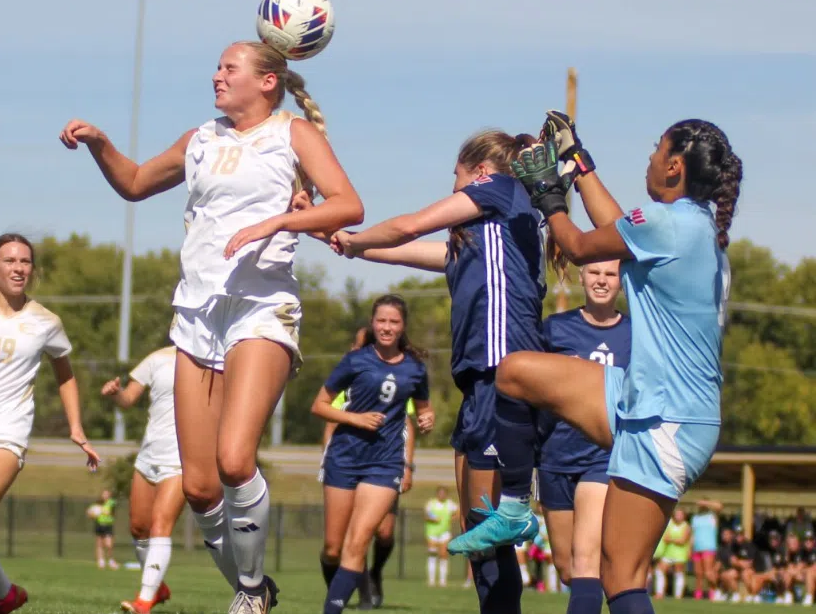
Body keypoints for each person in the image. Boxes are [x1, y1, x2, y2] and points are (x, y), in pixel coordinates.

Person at [60, 39, 364, 614]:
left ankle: (249, 595)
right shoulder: (200, 138)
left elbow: (349, 205)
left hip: (261, 307)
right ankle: (256, 587)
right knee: (199, 488)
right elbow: (135, 182)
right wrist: (101, 145)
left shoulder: (294, 134)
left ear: (267, 80)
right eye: (217, 67)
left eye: (229, 68)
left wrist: (278, 220)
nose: (217, 76)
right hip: (195, 316)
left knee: (233, 460)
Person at [497, 111, 743, 614]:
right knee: (516, 372)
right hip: (644, 398)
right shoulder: (687, 226)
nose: (649, 158)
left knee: (620, 574)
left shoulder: (669, 225)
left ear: (675, 166)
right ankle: (516, 507)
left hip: (668, 420)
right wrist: (576, 161)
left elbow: (584, 246)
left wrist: (549, 197)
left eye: (657, 149)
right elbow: (615, 228)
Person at [316, 128, 549, 614]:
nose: (454, 189)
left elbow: (408, 228)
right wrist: (341, 239)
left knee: (490, 529)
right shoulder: (485, 239)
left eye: (457, 178)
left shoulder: (501, 192)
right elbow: (401, 250)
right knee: (477, 529)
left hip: (500, 374)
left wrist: (361, 237)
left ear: (480, 173)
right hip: (479, 383)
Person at [0, 233, 101, 614]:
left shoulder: (46, 322)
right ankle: (8, 595)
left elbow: (65, 372)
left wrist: (75, 427)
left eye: (25, 262)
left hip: (5, 432)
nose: (19, 268)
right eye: (10, 261)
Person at [312, 294, 434, 614]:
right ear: (372, 322)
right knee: (333, 548)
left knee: (359, 541)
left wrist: (427, 418)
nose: (387, 327)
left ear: (403, 326)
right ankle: (349, 590)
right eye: (381, 320)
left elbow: (423, 410)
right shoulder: (355, 361)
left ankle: (335, 609)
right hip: (344, 457)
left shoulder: (415, 369)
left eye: (394, 322)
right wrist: (355, 418)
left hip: (384, 462)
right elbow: (319, 405)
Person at [536, 259, 631, 614]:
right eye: (595, 273)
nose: (602, 281)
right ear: (581, 277)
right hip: (555, 457)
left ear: (621, 282)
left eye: (610, 274)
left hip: (604, 457)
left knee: (586, 558)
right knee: (567, 567)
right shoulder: (555, 329)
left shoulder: (635, 334)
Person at [101, 345, 185, 614]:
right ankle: (158, 588)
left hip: (181, 458)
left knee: (161, 525)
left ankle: (144, 601)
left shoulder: (212, 357)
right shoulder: (158, 358)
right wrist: (116, 395)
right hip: (149, 454)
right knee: (139, 528)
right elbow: (128, 399)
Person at [424, 486, 459, 587]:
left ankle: (442, 581)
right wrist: (432, 519)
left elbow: (458, 511)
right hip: (432, 532)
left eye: (444, 493)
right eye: (440, 493)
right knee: (432, 554)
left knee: (443, 555)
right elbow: (426, 516)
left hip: (444, 533)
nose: (442, 495)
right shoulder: (431, 503)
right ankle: (431, 580)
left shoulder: (449, 504)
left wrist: (452, 518)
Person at [689, 498, 723, 600]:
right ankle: (698, 594)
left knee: (709, 572)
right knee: (698, 574)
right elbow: (692, 535)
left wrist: (706, 502)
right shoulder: (695, 518)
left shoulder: (712, 516)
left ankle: (715, 591)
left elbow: (719, 506)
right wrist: (690, 548)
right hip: (697, 548)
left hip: (708, 548)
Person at [655, 509, 691, 599]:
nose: (678, 516)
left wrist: (671, 540)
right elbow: (665, 537)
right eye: (676, 514)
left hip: (679, 553)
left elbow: (682, 540)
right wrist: (674, 540)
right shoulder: (670, 525)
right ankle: (660, 593)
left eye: (680, 514)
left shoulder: (686, 526)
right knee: (659, 570)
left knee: (678, 573)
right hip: (668, 553)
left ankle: (678, 595)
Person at [87, 490, 119, 569]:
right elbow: (90, 513)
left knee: (109, 544)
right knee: (99, 543)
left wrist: (100, 510)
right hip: (99, 525)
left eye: (107, 494)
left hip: (108, 525)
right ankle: (101, 561)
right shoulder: (97, 503)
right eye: (104, 494)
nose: (105, 495)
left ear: (110, 495)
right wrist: (91, 514)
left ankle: (111, 560)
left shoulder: (111, 502)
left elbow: (109, 511)